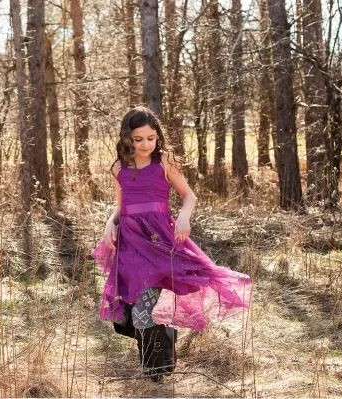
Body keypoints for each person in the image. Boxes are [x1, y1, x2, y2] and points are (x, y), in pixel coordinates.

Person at [92, 106, 252, 383]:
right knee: (125, 316)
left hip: (159, 241)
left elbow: (189, 196)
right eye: (138, 139)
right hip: (130, 244)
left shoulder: (164, 162)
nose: (145, 144)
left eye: (150, 138)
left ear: (158, 137)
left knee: (143, 313)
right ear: (127, 138)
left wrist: (183, 217)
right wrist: (110, 224)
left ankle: (155, 373)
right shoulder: (120, 167)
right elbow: (122, 206)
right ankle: (164, 338)